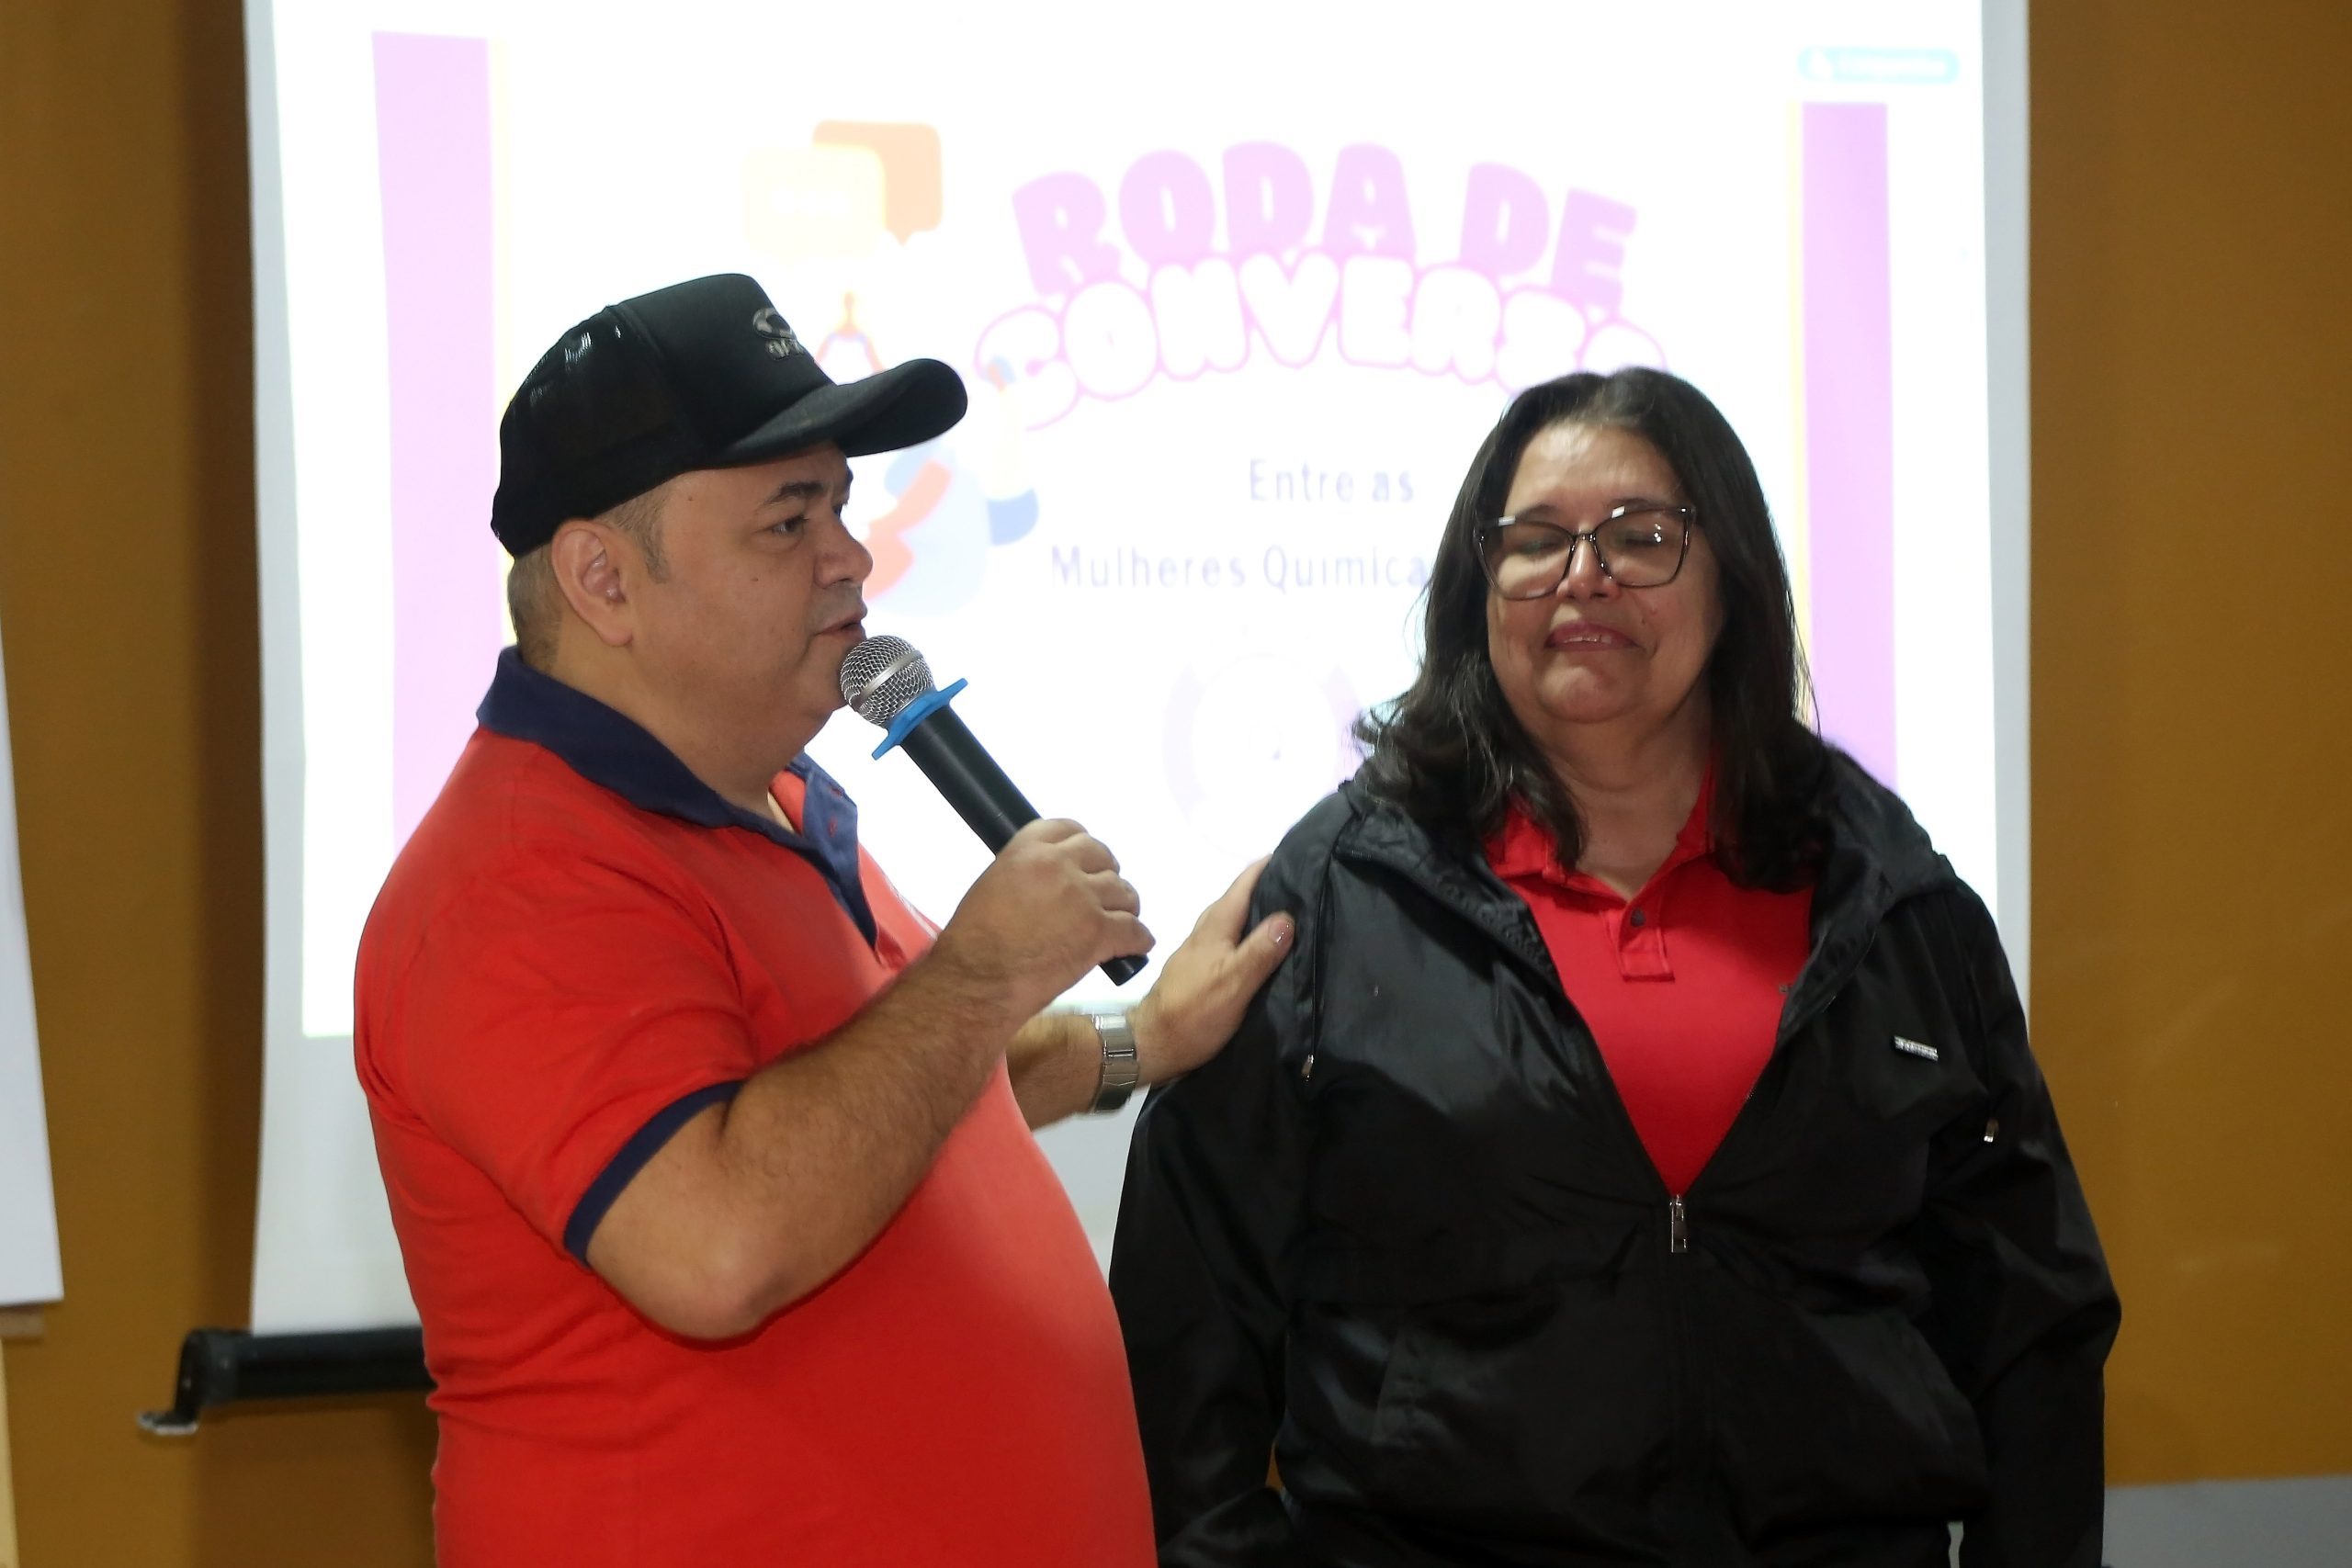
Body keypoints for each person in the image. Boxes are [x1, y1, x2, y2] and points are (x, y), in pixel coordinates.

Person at [354, 273, 1294, 1568]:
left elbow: (895, 1107)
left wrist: (1141, 1040)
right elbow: (720, 1241)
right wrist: (977, 970)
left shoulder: (776, 797)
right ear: (602, 580)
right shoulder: (517, 878)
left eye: (840, 506)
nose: (851, 556)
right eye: (787, 520)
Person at [1111, 367, 2119, 1567]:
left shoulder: (1891, 897)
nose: (1582, 576)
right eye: (1535, 541)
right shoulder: (1339, 891)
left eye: (1641, 536)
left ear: (1733, 577)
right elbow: (1191, 1324)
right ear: (1478, 588)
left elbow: (2030, 1324)